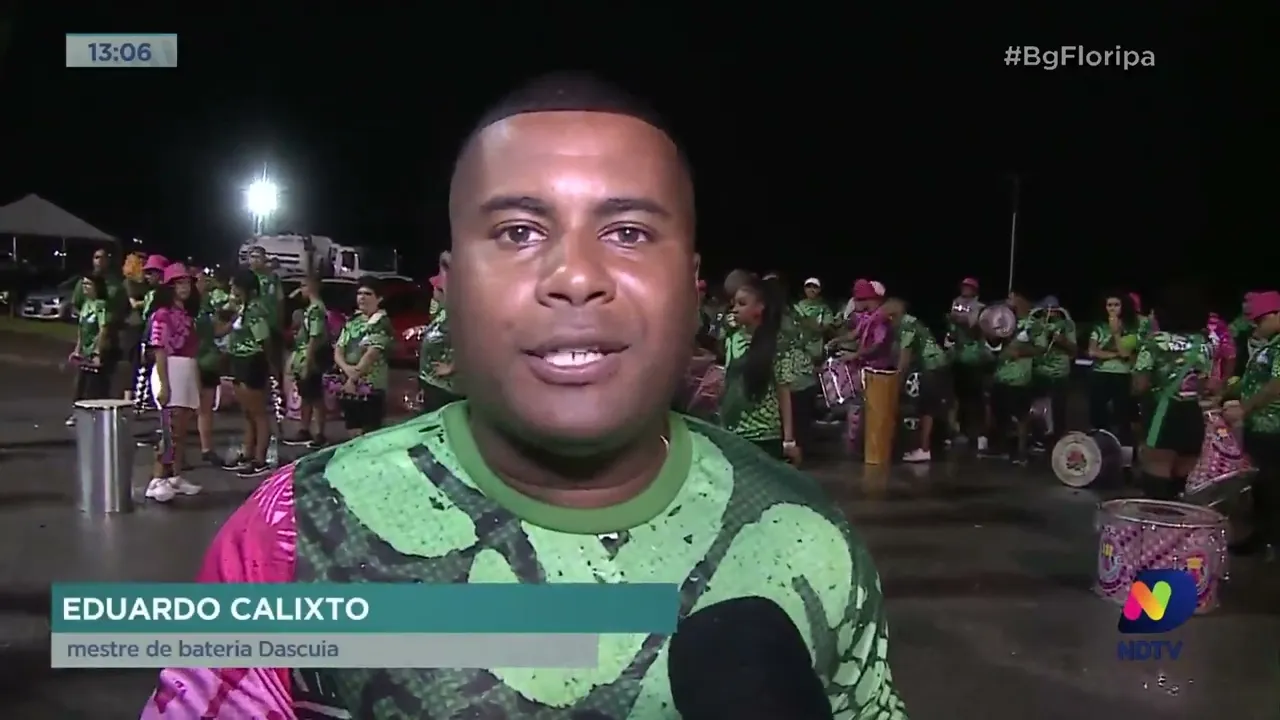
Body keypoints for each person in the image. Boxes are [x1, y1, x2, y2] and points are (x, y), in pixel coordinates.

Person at [140, 72, 906, 718]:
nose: (575, 275)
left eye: (630, 232)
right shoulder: (290, 536)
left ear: (692, 287)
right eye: (516, 232)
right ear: (452, 286)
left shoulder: (811, 541)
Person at [720, 275, 801, 462]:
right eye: (734, 304)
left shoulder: (777, 344)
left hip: (765, 437)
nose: (735, 309)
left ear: (759, 308)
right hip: (733, 434)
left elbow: (784, 393)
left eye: (742, 303)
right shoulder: (732, 339)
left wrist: (788, 440)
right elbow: (728, 381)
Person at [1224, 290, 1280, 558]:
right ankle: (1261, 537)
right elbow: (1255, 381)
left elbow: (1276, 385)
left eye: (1261, 320)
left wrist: (1244, 408)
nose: (1256, 326)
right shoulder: (1270, 344)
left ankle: (1269, 541)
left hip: (1274, 426)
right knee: (1262, 483)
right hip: (1261, 424)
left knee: (1270, 484)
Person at [143, 263, 204, 502]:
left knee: (182, 431)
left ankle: (175, 477)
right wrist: (164, 383)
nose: (184, 287)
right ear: (169, 287)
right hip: (171, 371)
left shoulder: (188, 315)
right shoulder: (162, 315)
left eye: (187, 283)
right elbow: (159, 351)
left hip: (187, 370)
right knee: (170, 431)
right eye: (178, 283)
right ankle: (157, 479)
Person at [219, 269, 273, 478]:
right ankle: (248, 452)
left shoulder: (256, 310)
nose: (232, 291)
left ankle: (260, 459)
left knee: (258, 413)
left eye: (236, 287)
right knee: (248, 413)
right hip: (239, 361)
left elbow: (264, 339)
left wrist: (268, 365)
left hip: (253, 361)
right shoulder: (243, 308)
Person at [885, 298, 949, 463]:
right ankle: (930, 446)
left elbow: (905, 357)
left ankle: (925, 449)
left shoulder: (906, 325)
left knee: (926, 409)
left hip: (933, 365)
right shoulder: (908, 323)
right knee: (930, 407)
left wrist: (896, 380)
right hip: (934, 365)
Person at [332, 276, 393, 437]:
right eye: (359, 293)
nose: (362, 297)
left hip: (371, 386)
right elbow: (339, 348)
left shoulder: (381, 323)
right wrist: (346, 370)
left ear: (379, 299)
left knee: (370, 434)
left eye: (368, 293)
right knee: (352, 430)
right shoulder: (353, 321)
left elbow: (372, 353)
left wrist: (353, 378)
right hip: (348, 384)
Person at [985, 290, 1042, 464]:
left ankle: (1022, 452)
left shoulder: (1033, 323)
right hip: (1001, 375)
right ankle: (1002, 448)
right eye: (1008, 298)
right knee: (999, 414)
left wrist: (1020, 351)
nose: (1009, 301)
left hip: (1020, 377)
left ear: (1022, 299)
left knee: (1021, 417)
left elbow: (1040, 349)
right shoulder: (1004, 319)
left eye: (1012, 298)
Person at [280, 276, 332, 448]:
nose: (300, 290)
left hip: (311, 358)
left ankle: (319, 433)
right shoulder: (309, 309)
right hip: (302, 357)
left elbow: (314, 338)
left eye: (302, 286)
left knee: (316, 397)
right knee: (306, 396)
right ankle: (304, 429)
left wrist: (308, 363)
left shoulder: (316, 309)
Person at [1087, 292, 1139, 447]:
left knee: (1122, 418)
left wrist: (1116, 333)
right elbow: (1092, 352)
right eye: (1109, 305)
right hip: (1100, 374)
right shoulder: (1099, 327)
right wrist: (1116, 354)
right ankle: (1100, 449)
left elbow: (1126, 354)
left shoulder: (1131, 328)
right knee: (1098, 415)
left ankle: (1125, 458)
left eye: (1116, 305)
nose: (1112, 308)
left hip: (1121, 375)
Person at [1031, 296, 1076, 449]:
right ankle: (1039, 438)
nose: (1050, 313)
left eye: (1054, 310)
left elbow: (1074, 350)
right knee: (1037, 408)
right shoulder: (1037, 324)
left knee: (1058, 408)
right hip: (1039, 371)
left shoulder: (1067, 325)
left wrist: (1062, 341)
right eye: (1047, 310)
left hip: (1059, 373)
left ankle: (1057, 440)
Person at [419, 253, 462, 413]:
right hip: (431, 382)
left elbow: (473, 344)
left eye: (436, 290)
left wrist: (451, 367)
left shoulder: (457, 314)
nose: (433, 294)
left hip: (445, 387)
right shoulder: (442, 313)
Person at [68, 274, 115, 411]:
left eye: (88, 284)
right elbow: (81, 329)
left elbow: (103, 329)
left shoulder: (101, 305)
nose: (84, 287)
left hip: (96, 350)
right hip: (85, 351)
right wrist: (77, 349)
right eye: (83, 284)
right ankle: (78, 412)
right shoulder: (86, 304)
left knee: (94, 386)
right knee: (79, 385)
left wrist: (97, 351)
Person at [192, 270, 225, 464]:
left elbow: (216, 331)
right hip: (193, 362)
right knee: (185, 410)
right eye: (199, 280)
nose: (204, 283)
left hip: (209, 362)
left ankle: (207, 448)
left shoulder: (207, 306)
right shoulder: (189, 309)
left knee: (206, 408)